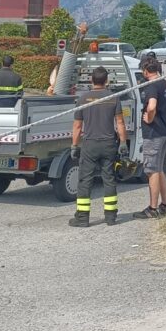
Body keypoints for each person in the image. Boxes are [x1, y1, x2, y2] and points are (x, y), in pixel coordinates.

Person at [69, 66, 127, 227]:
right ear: (106, 81)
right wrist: (123, 143)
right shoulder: (113, 98)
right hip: (109, 144)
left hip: (90, 144)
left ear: (91, 80)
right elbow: (120, 122)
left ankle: (82, 218)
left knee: (85, 180)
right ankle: (110, 217)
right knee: (109, 179)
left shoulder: (83, 99)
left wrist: (74, 145)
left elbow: (77, 126)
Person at [132, 54, 166, 219]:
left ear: (146, 70)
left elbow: (152, 106)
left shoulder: (151, 86)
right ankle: (165, 205)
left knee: (151, 171)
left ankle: (152, 208)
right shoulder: (164, 83)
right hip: (164, 132)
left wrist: (148, 117)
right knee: (159, 169)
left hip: (154, 133)